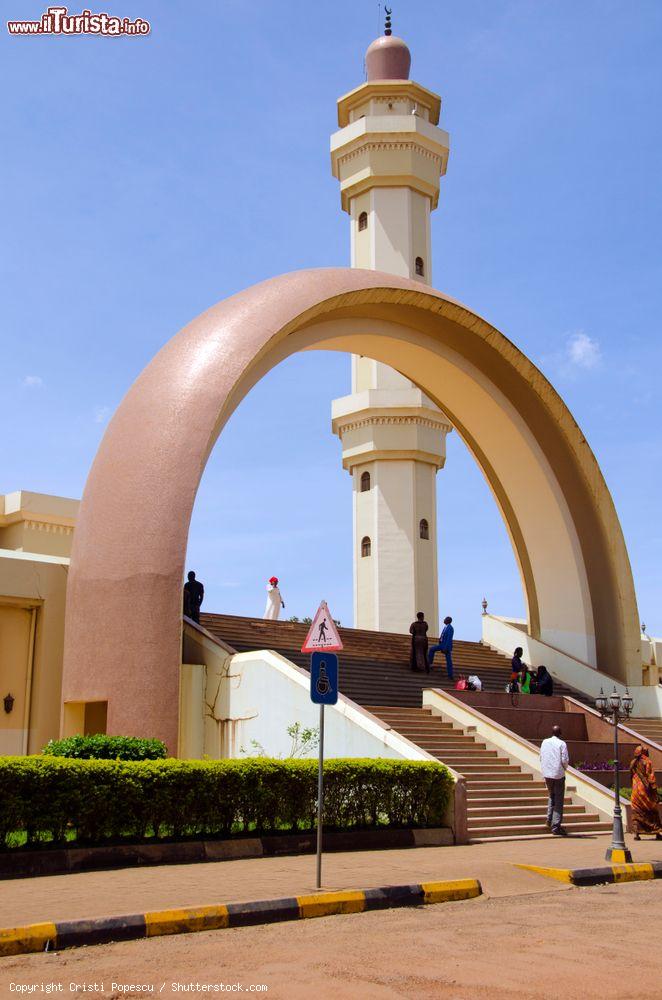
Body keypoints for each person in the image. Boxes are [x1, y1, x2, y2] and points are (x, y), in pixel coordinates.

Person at [539, 724, 570, 836]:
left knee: (551, 796)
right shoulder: (562, 743)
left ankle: (549, 819)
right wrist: (564, 768)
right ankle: (556, 826)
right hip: (558, 774)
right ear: (560, 734)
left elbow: (541, 756)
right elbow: (564, 760)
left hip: (547, 773)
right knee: (559, 800)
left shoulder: (544, 742)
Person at [629, 746, 662, 840]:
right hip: (645, 790)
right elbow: (650, 777)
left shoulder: (633, 762)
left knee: (637, 810)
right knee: (652, 809)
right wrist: (655, 791)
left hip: (635, 790)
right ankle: (656, 832)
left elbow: (631, 776)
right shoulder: (647, 761)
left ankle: (637, 833)